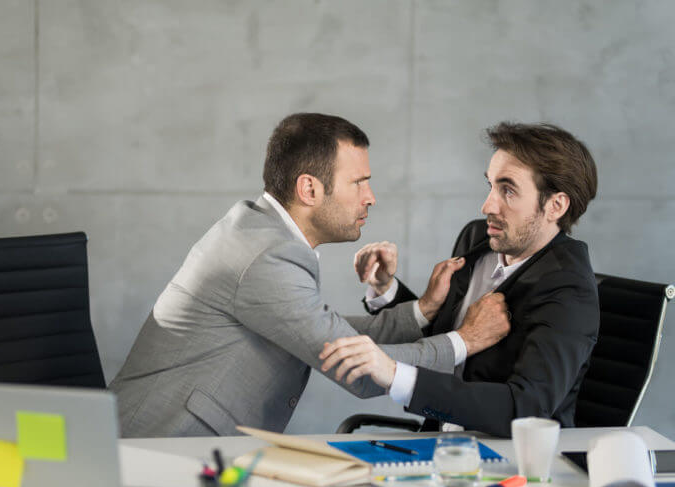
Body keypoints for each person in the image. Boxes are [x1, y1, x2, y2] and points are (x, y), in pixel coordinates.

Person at [109, 113, 508, 437]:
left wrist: (420, 311)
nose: (371, 197)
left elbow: (329, 334)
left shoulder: (262, 231)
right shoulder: (266, 256)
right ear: (309, 189)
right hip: (161, 453)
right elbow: (359, 371)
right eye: (358, 182)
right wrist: (464, 341)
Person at [319, 122, 599, 437]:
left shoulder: (569, 288)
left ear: (556, 206)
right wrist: (387, 288)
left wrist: (396, 375)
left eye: (507, 190)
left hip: (507, 461)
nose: (488, 205)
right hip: (440, 444)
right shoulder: (477, 238)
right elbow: (445, 338)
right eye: (490, 186)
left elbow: (526, 408)